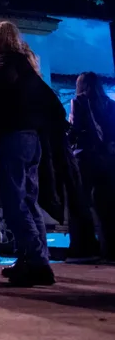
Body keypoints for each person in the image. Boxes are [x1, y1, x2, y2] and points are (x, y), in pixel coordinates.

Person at [0, 22, 56, 286]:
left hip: (13, 138)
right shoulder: (24, 63)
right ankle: (31, 259)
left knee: (14, 202)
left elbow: (2, 79)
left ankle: (37, 264)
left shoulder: (6, 60)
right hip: (31, 138)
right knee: (28, 202)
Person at [70, 72, 115, 261]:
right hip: (108, 159)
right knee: (107, 206)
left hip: (85, 158)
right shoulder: (110, 104)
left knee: (81, 203)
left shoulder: (78, 102)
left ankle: (85, 248)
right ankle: (110, 249)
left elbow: (75, 129)